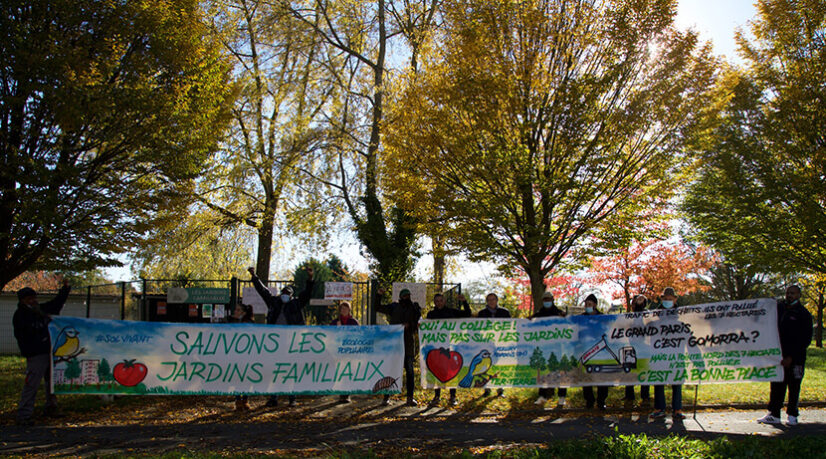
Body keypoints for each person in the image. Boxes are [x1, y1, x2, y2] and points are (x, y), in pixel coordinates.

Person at [248, 266, 314, 407]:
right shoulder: (274, 302)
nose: (284, 295)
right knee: (275, 370)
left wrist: (310, 279)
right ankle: (273, 397)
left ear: (291, 295)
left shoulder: (296, 304)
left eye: (287, 293)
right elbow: (262, 291)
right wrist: (254, 276)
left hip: (291, 343)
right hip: (275, 343)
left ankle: (292, 398)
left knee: (291, 371)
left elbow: (307, 294)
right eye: (283, 293)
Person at [14, 279, 71, 426]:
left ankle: (51, 407)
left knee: (51, 382)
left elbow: (56, 303)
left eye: (34, 298)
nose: (33, 300)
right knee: (32, 383)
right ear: (23, 300)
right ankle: (24, 414)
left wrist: (64, 290)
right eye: (30, 298)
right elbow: (24, 334)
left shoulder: (39, 311)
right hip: (36, 353)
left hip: (48, 351)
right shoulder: (21, 315)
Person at [758, 285, 813, 426]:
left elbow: (805, 339)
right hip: (778, 357)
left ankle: (792, 415)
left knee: (794, 386)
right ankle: (774, 414)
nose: (789, 295)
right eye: (788, 293)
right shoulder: (779, 309)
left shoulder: (803, 314)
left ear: (799, 295)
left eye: (793, 293)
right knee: (776, 385)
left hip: (796, 359)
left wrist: (791, 357)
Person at [375, 287, 422, 406]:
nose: (407, 297)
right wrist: (378, 295)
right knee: (391, 370)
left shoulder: (414, 307)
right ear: (400, 297)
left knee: (410, 372)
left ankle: (410, 398)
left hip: (408, 344)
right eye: (404, 295)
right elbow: (377, 307)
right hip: (394, 344)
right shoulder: (394, 307)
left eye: (408, 295)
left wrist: (410, 324)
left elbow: (418, 322)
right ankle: (386, 397)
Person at [426, 293, 471, 406]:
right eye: (437, 301)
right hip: (437, 347)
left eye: (441, 300)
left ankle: (453, 396)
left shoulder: (452, 312)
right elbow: (426, 329)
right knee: (437, 370)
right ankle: (437, 396)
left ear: (444, 301)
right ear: (434, 302)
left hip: (451, 346)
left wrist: (464, 302)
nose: (439, 302)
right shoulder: (431, 314)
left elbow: (467, 314)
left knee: (451, 371)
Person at [650, 287, 684, 420]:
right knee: (659, 380)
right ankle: (659, 409)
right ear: (662, 299)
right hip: (659, 354)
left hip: (676, 353)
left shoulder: (683, 315)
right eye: (665, 299)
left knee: (677, 382)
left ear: (675, 299)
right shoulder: (655, 315)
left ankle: (677, 409)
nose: (668, 301)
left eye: (670, 299)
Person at [531, 291, 567, 407]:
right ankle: (542, 396)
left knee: (560, 373)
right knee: (543, 372)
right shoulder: (538, 314)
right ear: (543, 301)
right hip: (543, 348)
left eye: (549, 299)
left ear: (553, 299)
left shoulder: (559, 313)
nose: (547, 301)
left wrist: (565, 317)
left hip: (558, 348)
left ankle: (562, 397)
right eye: (545, 300)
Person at [477, 293, 510, 397]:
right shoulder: (482, 313)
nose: (491, 301)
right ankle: (487, 389)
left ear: (497, 300)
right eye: (489, 300)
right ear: (487, 302)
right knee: (487, 366)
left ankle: (500, 389)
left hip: (501, 343)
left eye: (493, 299)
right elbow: (478, 328)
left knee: (500, 365)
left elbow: (510, 327)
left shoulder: (504, 312)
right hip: (486, 343)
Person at [581, 293, 609, 410]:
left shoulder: (602, 318)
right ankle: (589, 400)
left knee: (602, 377)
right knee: (586, 378)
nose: (587, 306)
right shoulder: (580, 318)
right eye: (586, 304)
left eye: (590, 304)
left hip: (600, 353)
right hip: (585, 351)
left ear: (595, 305)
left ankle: (601, 401)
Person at [227, 303, 254, 411]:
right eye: (235, 310)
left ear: (243, 312)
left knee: (245, 377)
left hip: (246, 354)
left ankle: (244, 400)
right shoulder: (232, 322)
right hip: (236, 355)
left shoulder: (249, 324)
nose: (235, 312)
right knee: (237, 377)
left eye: (238, 310)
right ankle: (239, 400)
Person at [331, 302, 359, 403]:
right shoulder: (335, 322)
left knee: (348, 372)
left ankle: (347, 394)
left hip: (350, 351)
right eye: (342, 309)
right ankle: (341, 395)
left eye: (346, 309)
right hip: (338, 351)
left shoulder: (353, 322)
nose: (344, 310)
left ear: (349, 310)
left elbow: (358, 336)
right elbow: (330, 336)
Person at [624, 294, 650, 403]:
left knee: (644, 371)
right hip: (631, 347)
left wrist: (640, 306)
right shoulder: (628, 316)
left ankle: (645, 397)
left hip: (644, 348)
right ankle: (629, 396)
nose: (634, 305)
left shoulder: (647, 315)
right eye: (633, 303)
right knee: (630, 373)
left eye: (637, 302)